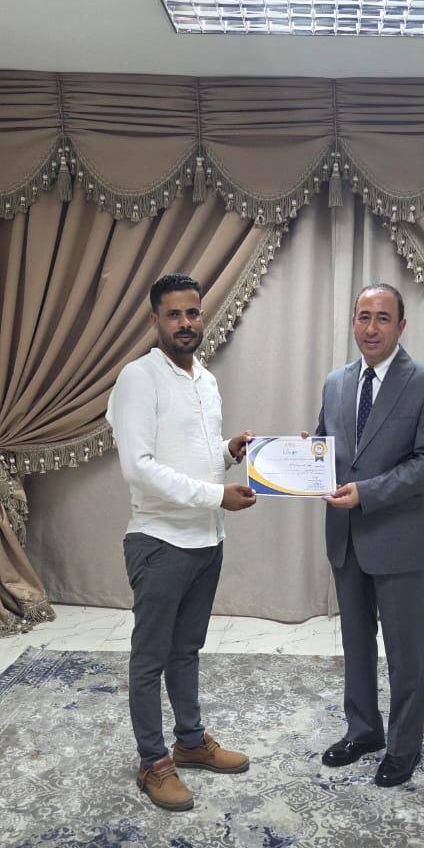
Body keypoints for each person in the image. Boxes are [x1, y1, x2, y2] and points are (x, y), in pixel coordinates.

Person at [105, 272, 258, 812]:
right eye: (174, 314)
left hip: (205, 541)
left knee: (186, 649)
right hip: (159, 541)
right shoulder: (137, 378)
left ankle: (190, 742)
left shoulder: (205, 380)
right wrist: (217, 495)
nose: (185, 322)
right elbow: (139, 467)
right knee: (151, 657)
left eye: (193, 312)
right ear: (155, 319)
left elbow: (192, 452)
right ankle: (153, 761)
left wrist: (227, 451)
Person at [312, 283, 424, 787]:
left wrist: (367, 493)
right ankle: (364, 731)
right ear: (353, 321)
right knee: (355, 643)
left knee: (404, 652)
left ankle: (403, 746)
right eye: (363, 317)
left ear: (401, 325)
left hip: (399, 537)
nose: (371, 328)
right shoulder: (335, 382)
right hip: (345, 536)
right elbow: (325, 444)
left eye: (382, 318)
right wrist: (302, 459)